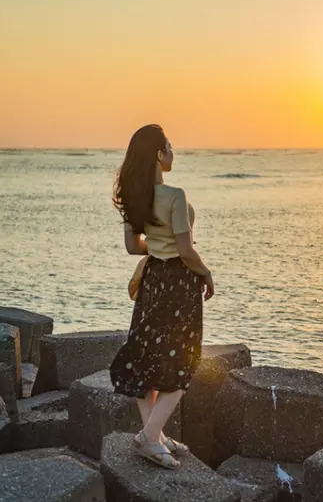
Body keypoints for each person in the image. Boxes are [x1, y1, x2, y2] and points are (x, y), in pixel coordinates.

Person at [109, 123, 214, 469]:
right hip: (179, 284)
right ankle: (149, 437)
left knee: (145, 355)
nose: (172, 150)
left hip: (153, 279)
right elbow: (185, 249)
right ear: (158, 154)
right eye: (169, 145)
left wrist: (155, 244)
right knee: (183, 361)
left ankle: (155, 433)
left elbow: (131, 247)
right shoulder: (175, 196)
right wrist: (206, 272)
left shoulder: (134, 196)